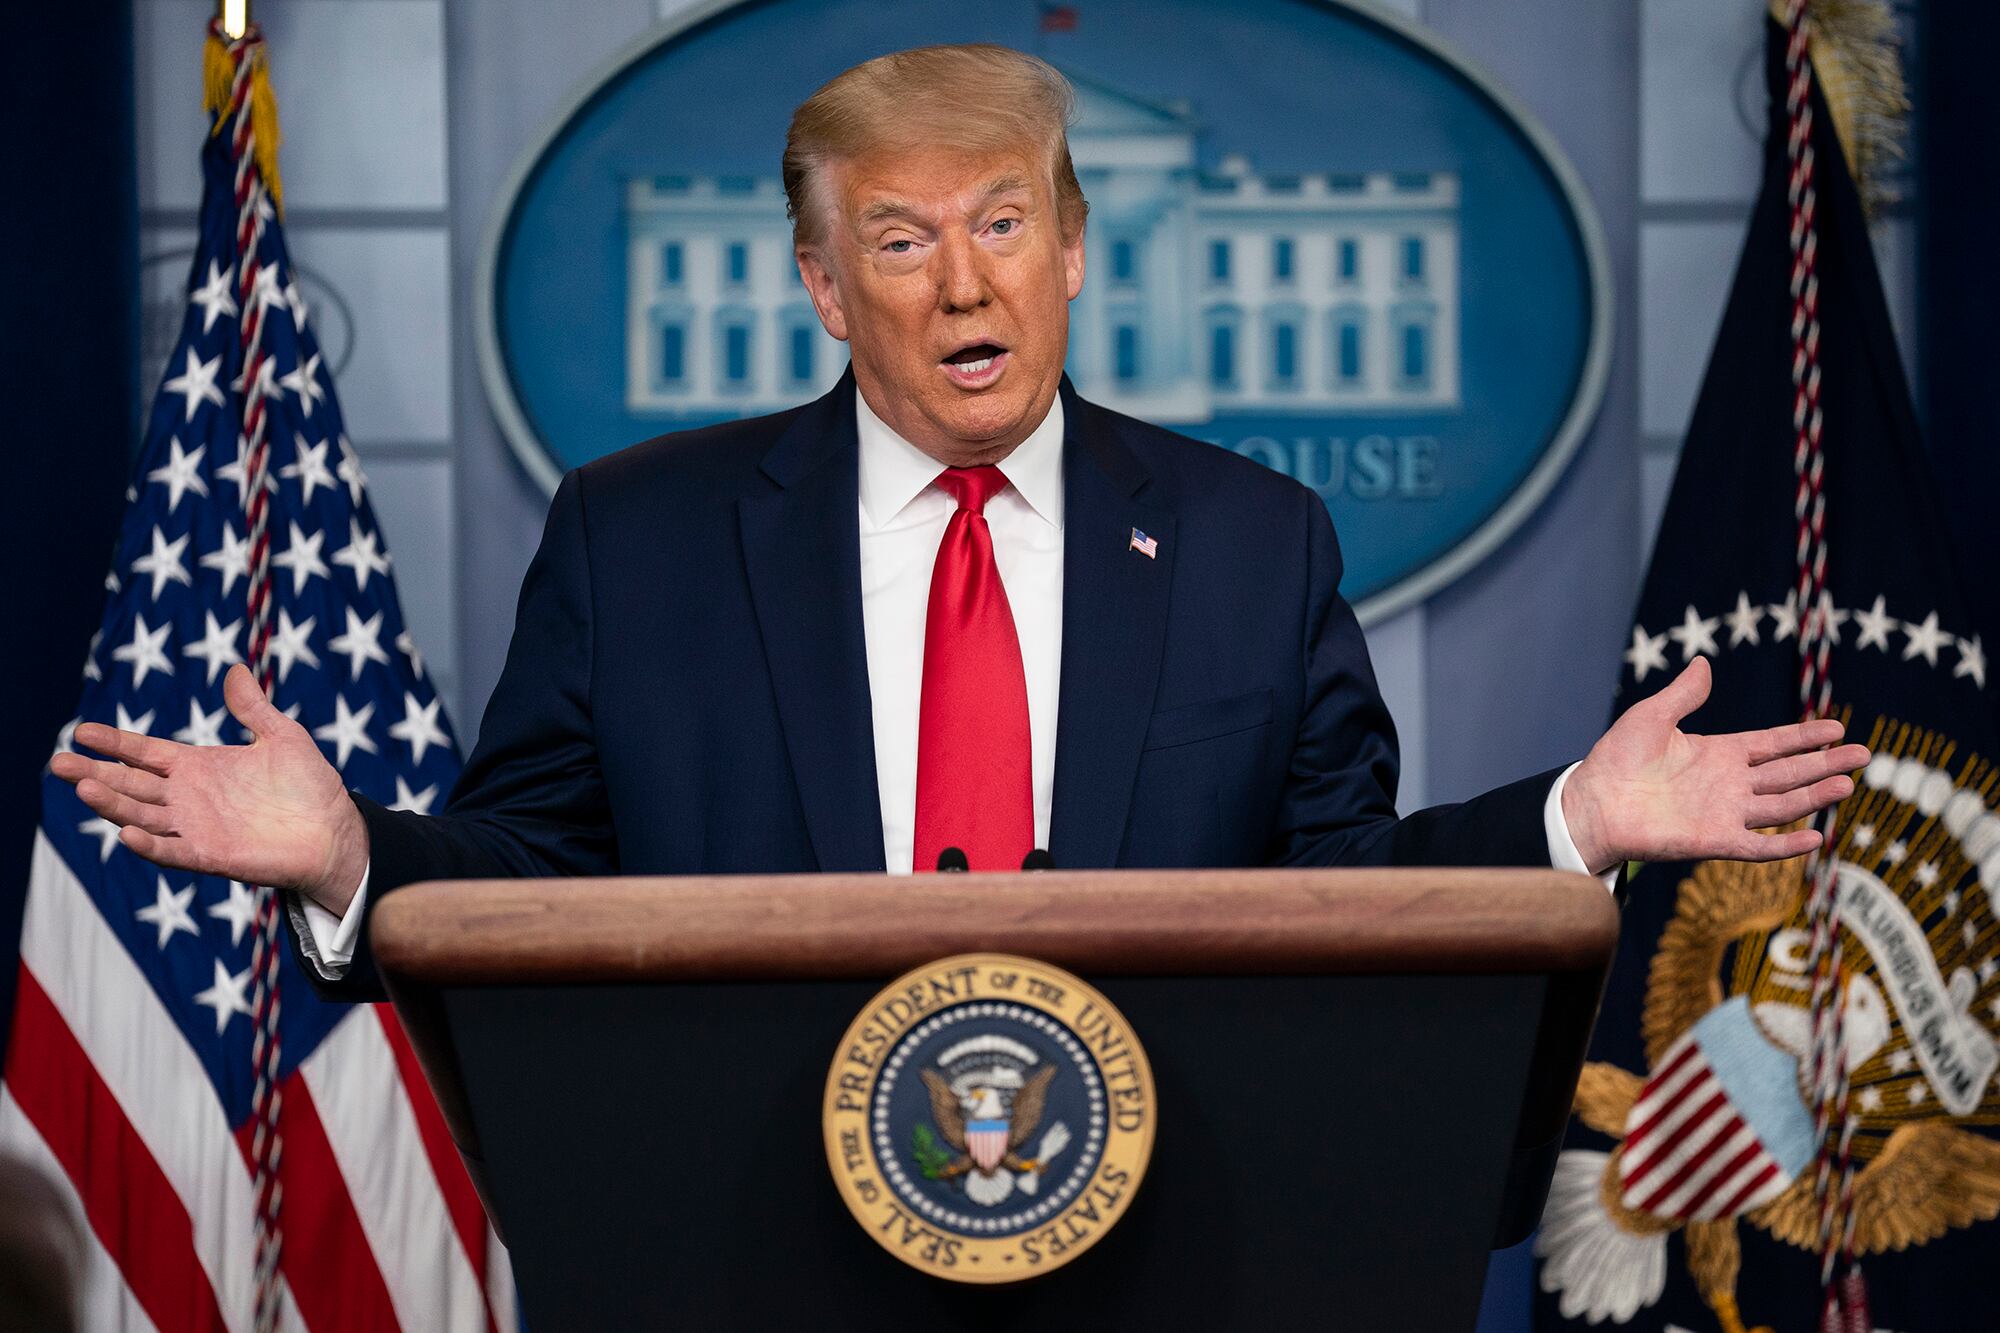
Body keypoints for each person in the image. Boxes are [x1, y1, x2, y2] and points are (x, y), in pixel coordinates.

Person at [52, 45, 1865, 1001]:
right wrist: (351, 856)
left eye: (1004, 224)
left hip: (1171, 1243)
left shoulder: (1253, 541)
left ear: (1075, 249)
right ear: (828, 290)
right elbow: (541, 890)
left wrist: (1578, 818)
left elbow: (1343, 905)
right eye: (903, 243)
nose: (963, 282)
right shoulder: (643, 539)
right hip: (757, 1247)